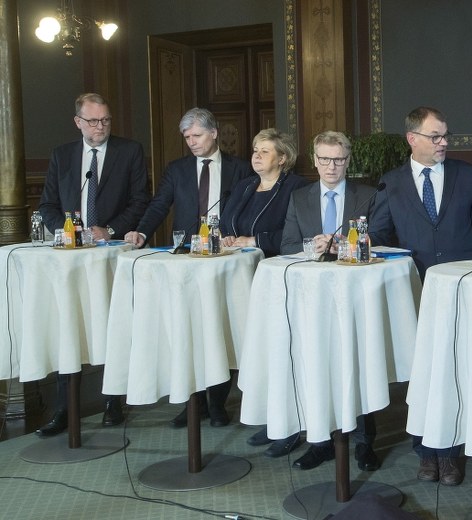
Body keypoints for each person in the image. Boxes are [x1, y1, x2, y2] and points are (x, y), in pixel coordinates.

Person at [369, 106, 472, 486]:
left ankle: (451, 451)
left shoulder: (465, 174)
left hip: (460, 287)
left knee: (455, 369)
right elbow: (379, 236)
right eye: (435, 136)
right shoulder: (391, 182)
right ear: (413, 139)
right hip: (414, 290)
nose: (443, 143)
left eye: (445, 135)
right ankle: (424, 450)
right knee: (422, 374)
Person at [125, 107, 254, 428]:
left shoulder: (240, 169)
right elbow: (159, 205)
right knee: (189, 331)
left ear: (214, 133)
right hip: (186, 262)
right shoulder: (177, 170)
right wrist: (141, 232)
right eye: (187, 137)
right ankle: (193, 404)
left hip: (224, 262)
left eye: (197, 135)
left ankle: (217, 402)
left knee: (220, 328)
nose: (192, 142)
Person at [35, 92, 150, 437]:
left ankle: (113, 400)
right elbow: (48, 205)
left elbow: (140, 200)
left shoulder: (129, 151)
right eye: (93, 121)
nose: (101, 127)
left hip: (112, 255)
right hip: (71, 258)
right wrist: (67, 231)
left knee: (111, 324)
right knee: (68, 326)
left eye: (106, 120)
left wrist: (109, 230)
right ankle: (63, 408)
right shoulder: (62, 155)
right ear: (78, 122)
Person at [271, 130, 380, 470]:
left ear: (348, 161)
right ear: (315, 161)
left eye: (339, 160)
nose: (332, 166)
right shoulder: (299, 197)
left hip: (355, 296)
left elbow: (383, 239)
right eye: (325, 159)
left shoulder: (368, 195)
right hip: (313, 299)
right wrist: (313, 245)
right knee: (317, 363)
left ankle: (364, 442)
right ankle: (320, 442)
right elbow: (287, 245)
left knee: (356, 363)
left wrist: (347, 245)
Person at [219, 128, 306, 256]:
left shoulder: (297, 186)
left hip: (274, 261)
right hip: (237, 259)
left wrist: (255, 241)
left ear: (281, 159)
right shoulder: (243, 185)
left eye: (264, 152)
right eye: (255, 151)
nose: (257, 155)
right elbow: (224, 223)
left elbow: (298, 233)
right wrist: (228, 238)